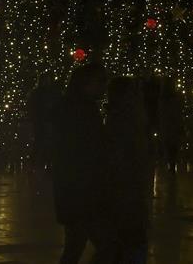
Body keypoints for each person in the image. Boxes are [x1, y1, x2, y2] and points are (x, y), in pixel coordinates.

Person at [52, 63, 116, 264]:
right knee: (104, 246)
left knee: (76, 245)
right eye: (100, 81)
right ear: (86, 84)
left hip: (74, 190)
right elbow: (89, 150)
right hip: (83, 191)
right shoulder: (83, 110)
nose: (103, 87)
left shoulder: (73, 107)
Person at [105, 78, 150, 264]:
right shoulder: (124, 121)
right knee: (130, 242)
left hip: (127, 190)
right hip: (126, 191)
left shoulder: (121, 119)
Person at [26, 72, 61, 168]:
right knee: (40, 141)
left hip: (47, 120)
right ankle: (36, 162)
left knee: (46, 142)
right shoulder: (38, 93)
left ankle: (45, 162)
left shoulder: (50, 93)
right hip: (41, 121)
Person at [158, 79, 186, 171]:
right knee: (172, 145)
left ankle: (171, 163)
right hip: (170, 124)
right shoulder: (174, 98)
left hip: (169, 124)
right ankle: (171, 163)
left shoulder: (163, 98)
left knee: (170, 145)